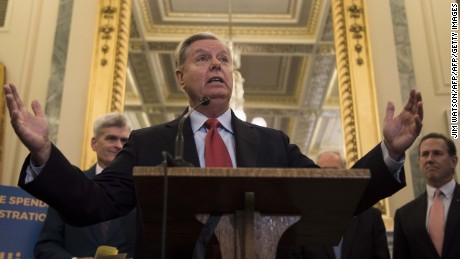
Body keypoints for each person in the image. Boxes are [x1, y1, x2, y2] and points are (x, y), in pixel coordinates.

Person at [4, 31, 423, 258]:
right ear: (180, 77)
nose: (217, 64)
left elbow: (334, 199)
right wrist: (44, 152)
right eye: (203, 58)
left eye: (223, 58)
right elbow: (91, 204)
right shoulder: (151, 143)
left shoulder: (272, 143)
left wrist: (390, 153)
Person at [34, 112, 137, 259]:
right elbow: (46, 246)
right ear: (94, 143)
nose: (118, 145)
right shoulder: (68, 185)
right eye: (111, 138)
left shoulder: (140, 191)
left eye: (124, 141)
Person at [302, 151, 390, 259]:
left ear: (345, 174)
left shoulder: (371, 218)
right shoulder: (302, 220)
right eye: (323, 171)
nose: (329, 176)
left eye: (334, 171)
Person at [392, 132, 460, 259]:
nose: (429, 159)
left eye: (437, 153)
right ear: (419, 161)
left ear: (453, 161)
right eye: (424, 154)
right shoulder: (404, 215)